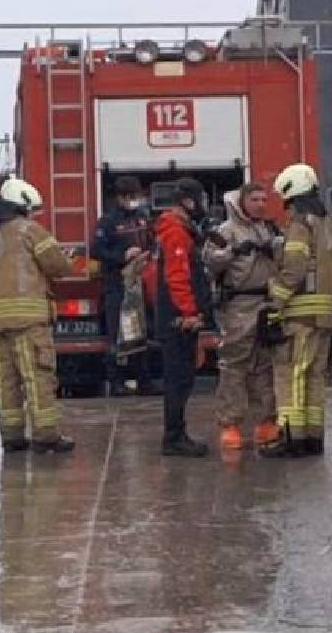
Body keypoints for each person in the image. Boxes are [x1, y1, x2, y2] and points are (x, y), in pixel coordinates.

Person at [0, 177, 74, 453]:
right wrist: (67, 258)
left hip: (0, 320)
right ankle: (46, 435)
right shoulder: (31, 230)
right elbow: (58, 266)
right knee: (38, 375)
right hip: (29, 320)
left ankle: (11, 435)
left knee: (7, 380)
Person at [263, 163, 332, 458]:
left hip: (300, 314)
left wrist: (275, 304)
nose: (286, 209)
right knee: (315, 377)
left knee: (291, 374)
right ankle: (312, 437)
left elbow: (294, 269)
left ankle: (291, 438)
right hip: (324, 314)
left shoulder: (299, 225)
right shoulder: (326, 223)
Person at [202, 183, 282, 450]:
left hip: (266, 302)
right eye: (255, 199)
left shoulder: (268, 229)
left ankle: (266, 421)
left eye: (264, 199)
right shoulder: (226, 232)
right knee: (235, 365)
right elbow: (209, 262)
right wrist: (233, 252)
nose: (261, 204)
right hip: (239, 304)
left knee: (264, 364)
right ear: (242, 202)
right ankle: (231, 423)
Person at [154, 178, 213, 457]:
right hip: (178, 319)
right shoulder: (176, 231)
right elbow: (177, 276)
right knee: (178, 379)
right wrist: (189, 313)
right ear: (189, 201)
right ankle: (174, 437)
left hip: (176, 317)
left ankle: (176, 434)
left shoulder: (178, 230)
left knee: (182, 378)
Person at [92, 175, 158, 396]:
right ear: (119, 197)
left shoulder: (142, 218)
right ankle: (117, 382)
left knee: (141, 333)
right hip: (116, 285)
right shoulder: (108, 222)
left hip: (140, 285)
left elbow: (151, 241)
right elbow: (97, 251)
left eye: (136, 196)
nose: (133, 200)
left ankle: (144, 381)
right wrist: (122, 256)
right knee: (117, 335)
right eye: (129, 197)